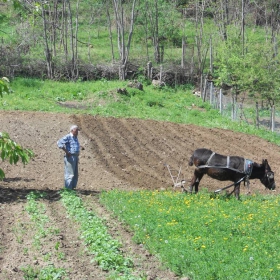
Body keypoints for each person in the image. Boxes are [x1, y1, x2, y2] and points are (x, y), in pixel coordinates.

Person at [57, 125, 81, 189]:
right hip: (70, 157)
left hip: (75, 157)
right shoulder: (68, 136)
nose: (77, 132)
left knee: (75, 174)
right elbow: (59, 143)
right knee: (70, 174)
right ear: (72, 130)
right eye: (76, 131)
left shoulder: (75, 137)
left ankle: (72, 188)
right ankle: (68, 189)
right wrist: (67, 151)